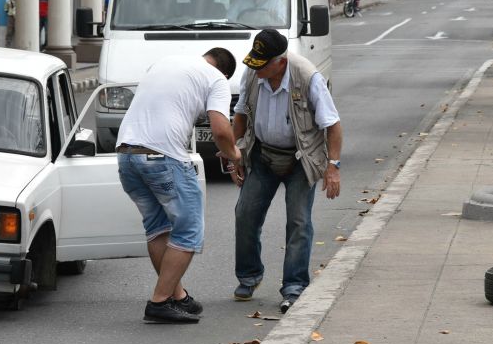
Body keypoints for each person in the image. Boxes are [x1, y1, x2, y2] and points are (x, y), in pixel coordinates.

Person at [116, 48, 242, 324]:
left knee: (158, 227)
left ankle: (178, 296)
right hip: (162, 157)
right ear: (224, 72)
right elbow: (221, 130)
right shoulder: (217, 80)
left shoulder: (164, 61)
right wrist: (235, 156)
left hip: (126, 154)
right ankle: (159, 302)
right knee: (189, 232)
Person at [231, 29, 343, 314]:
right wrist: (235, 155)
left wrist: (333, 167)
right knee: (245, 214)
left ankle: (294, 286)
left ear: (280, 62)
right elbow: (241, 114)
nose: (256, 69)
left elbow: (333, 125)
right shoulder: (253, 74)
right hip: (263, 154)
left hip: (300, 158)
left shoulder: (308, 77)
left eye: (263, 64)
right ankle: (249, 276)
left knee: (298, 222)